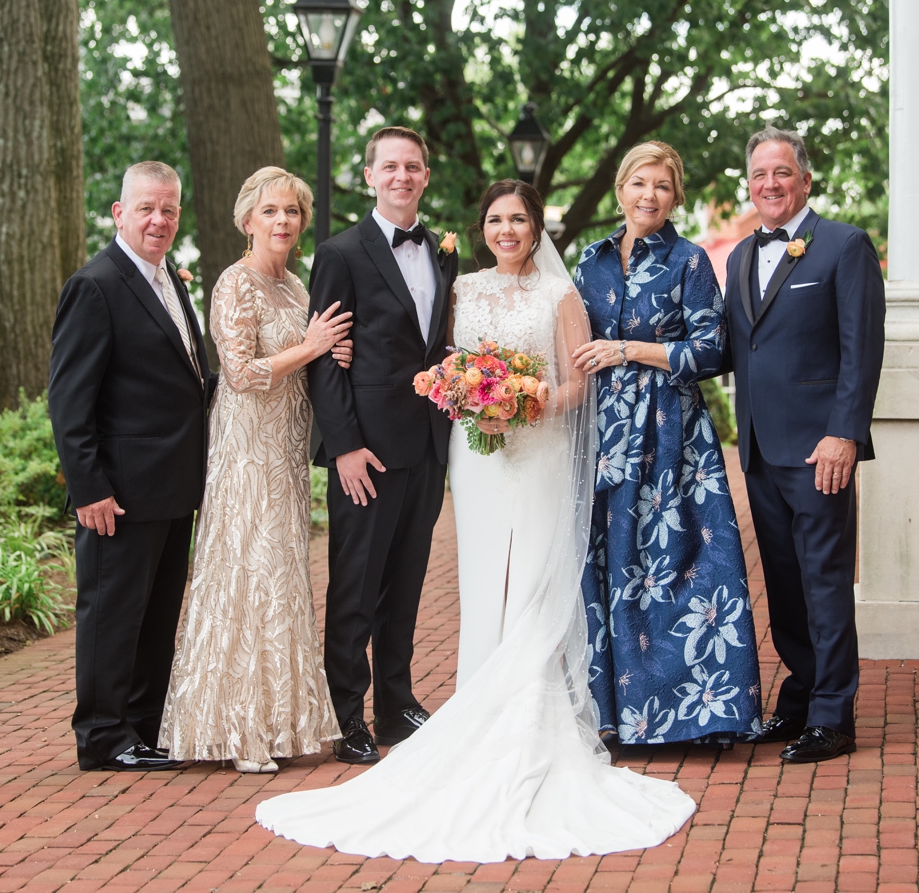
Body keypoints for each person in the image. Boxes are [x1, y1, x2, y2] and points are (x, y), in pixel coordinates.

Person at [255, 181, 696, 863]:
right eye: (495, 218)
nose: (508, 229)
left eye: (519, 218)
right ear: (482, 226)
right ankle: (476, 705)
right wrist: (435, 382)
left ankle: (527, 720)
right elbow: (431, 354)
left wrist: (531, 402)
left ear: (535, 225)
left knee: (533, 583)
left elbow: (580, 382)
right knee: (485, 579)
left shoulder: (560, 295)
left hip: (539, 448)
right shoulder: (460, 286)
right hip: (476, 457)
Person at [158, 167, 353, 774]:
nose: (283, 222)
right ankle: (237, 730)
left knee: (282, 576)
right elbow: (240, 372)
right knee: (246, 572)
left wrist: (334, 351)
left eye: (292, 212)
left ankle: (277, 723)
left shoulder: (298, 289)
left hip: (288, 450)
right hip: (245, 450)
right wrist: (313, 347)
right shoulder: (232, 284)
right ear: (248, 221)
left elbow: (311, 358)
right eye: (270, 211)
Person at [571, 141, 762, 746]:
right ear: (620, 190)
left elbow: (713, 350)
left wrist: (629, 350)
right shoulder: (591, 261)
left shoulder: (690, 260)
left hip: (672, 435)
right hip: (603, 433)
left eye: (661, 185)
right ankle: (612, 716)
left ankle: (695, 717)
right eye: (638, 183)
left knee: (682, 566)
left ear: (675, 196)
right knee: (606, 562)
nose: (648, 195)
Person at [722, 126, 884, 764]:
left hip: (821, 449)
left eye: (781, 173)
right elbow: (737, 348)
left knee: (824, 581)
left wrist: (844, 432)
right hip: (760, 449)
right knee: (784, 584)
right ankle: (798, 701)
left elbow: (861, 350)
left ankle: (833, 717)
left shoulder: (843, 246)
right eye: (759, 175)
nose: (769, 185)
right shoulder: (738, 257)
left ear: (805, 180)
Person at [49, 161, 213, 772]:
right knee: (111, 616)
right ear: (119, 212)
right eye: (146, 208)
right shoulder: (95, 285)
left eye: (169, 209)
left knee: (155, 616)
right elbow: (70, 399)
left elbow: (187, 380)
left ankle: (144, 728)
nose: (159, 219)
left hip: (172, 487)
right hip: (116, 491)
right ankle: (102, 735)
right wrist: (88, 485)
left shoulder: (171, 279)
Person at [304, 126, 459, 764]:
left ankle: (396, 704)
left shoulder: (445, 252)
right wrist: (343, 446)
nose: (402, 176)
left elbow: (440, 344)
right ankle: (347, 717)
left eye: (413, 167)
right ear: (369, 175)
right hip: (365, 451)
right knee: (355, 588)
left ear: (425, 176)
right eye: (389, 166)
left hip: (426, 446)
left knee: (406, 582)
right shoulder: (340, 253)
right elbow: (323, 360)